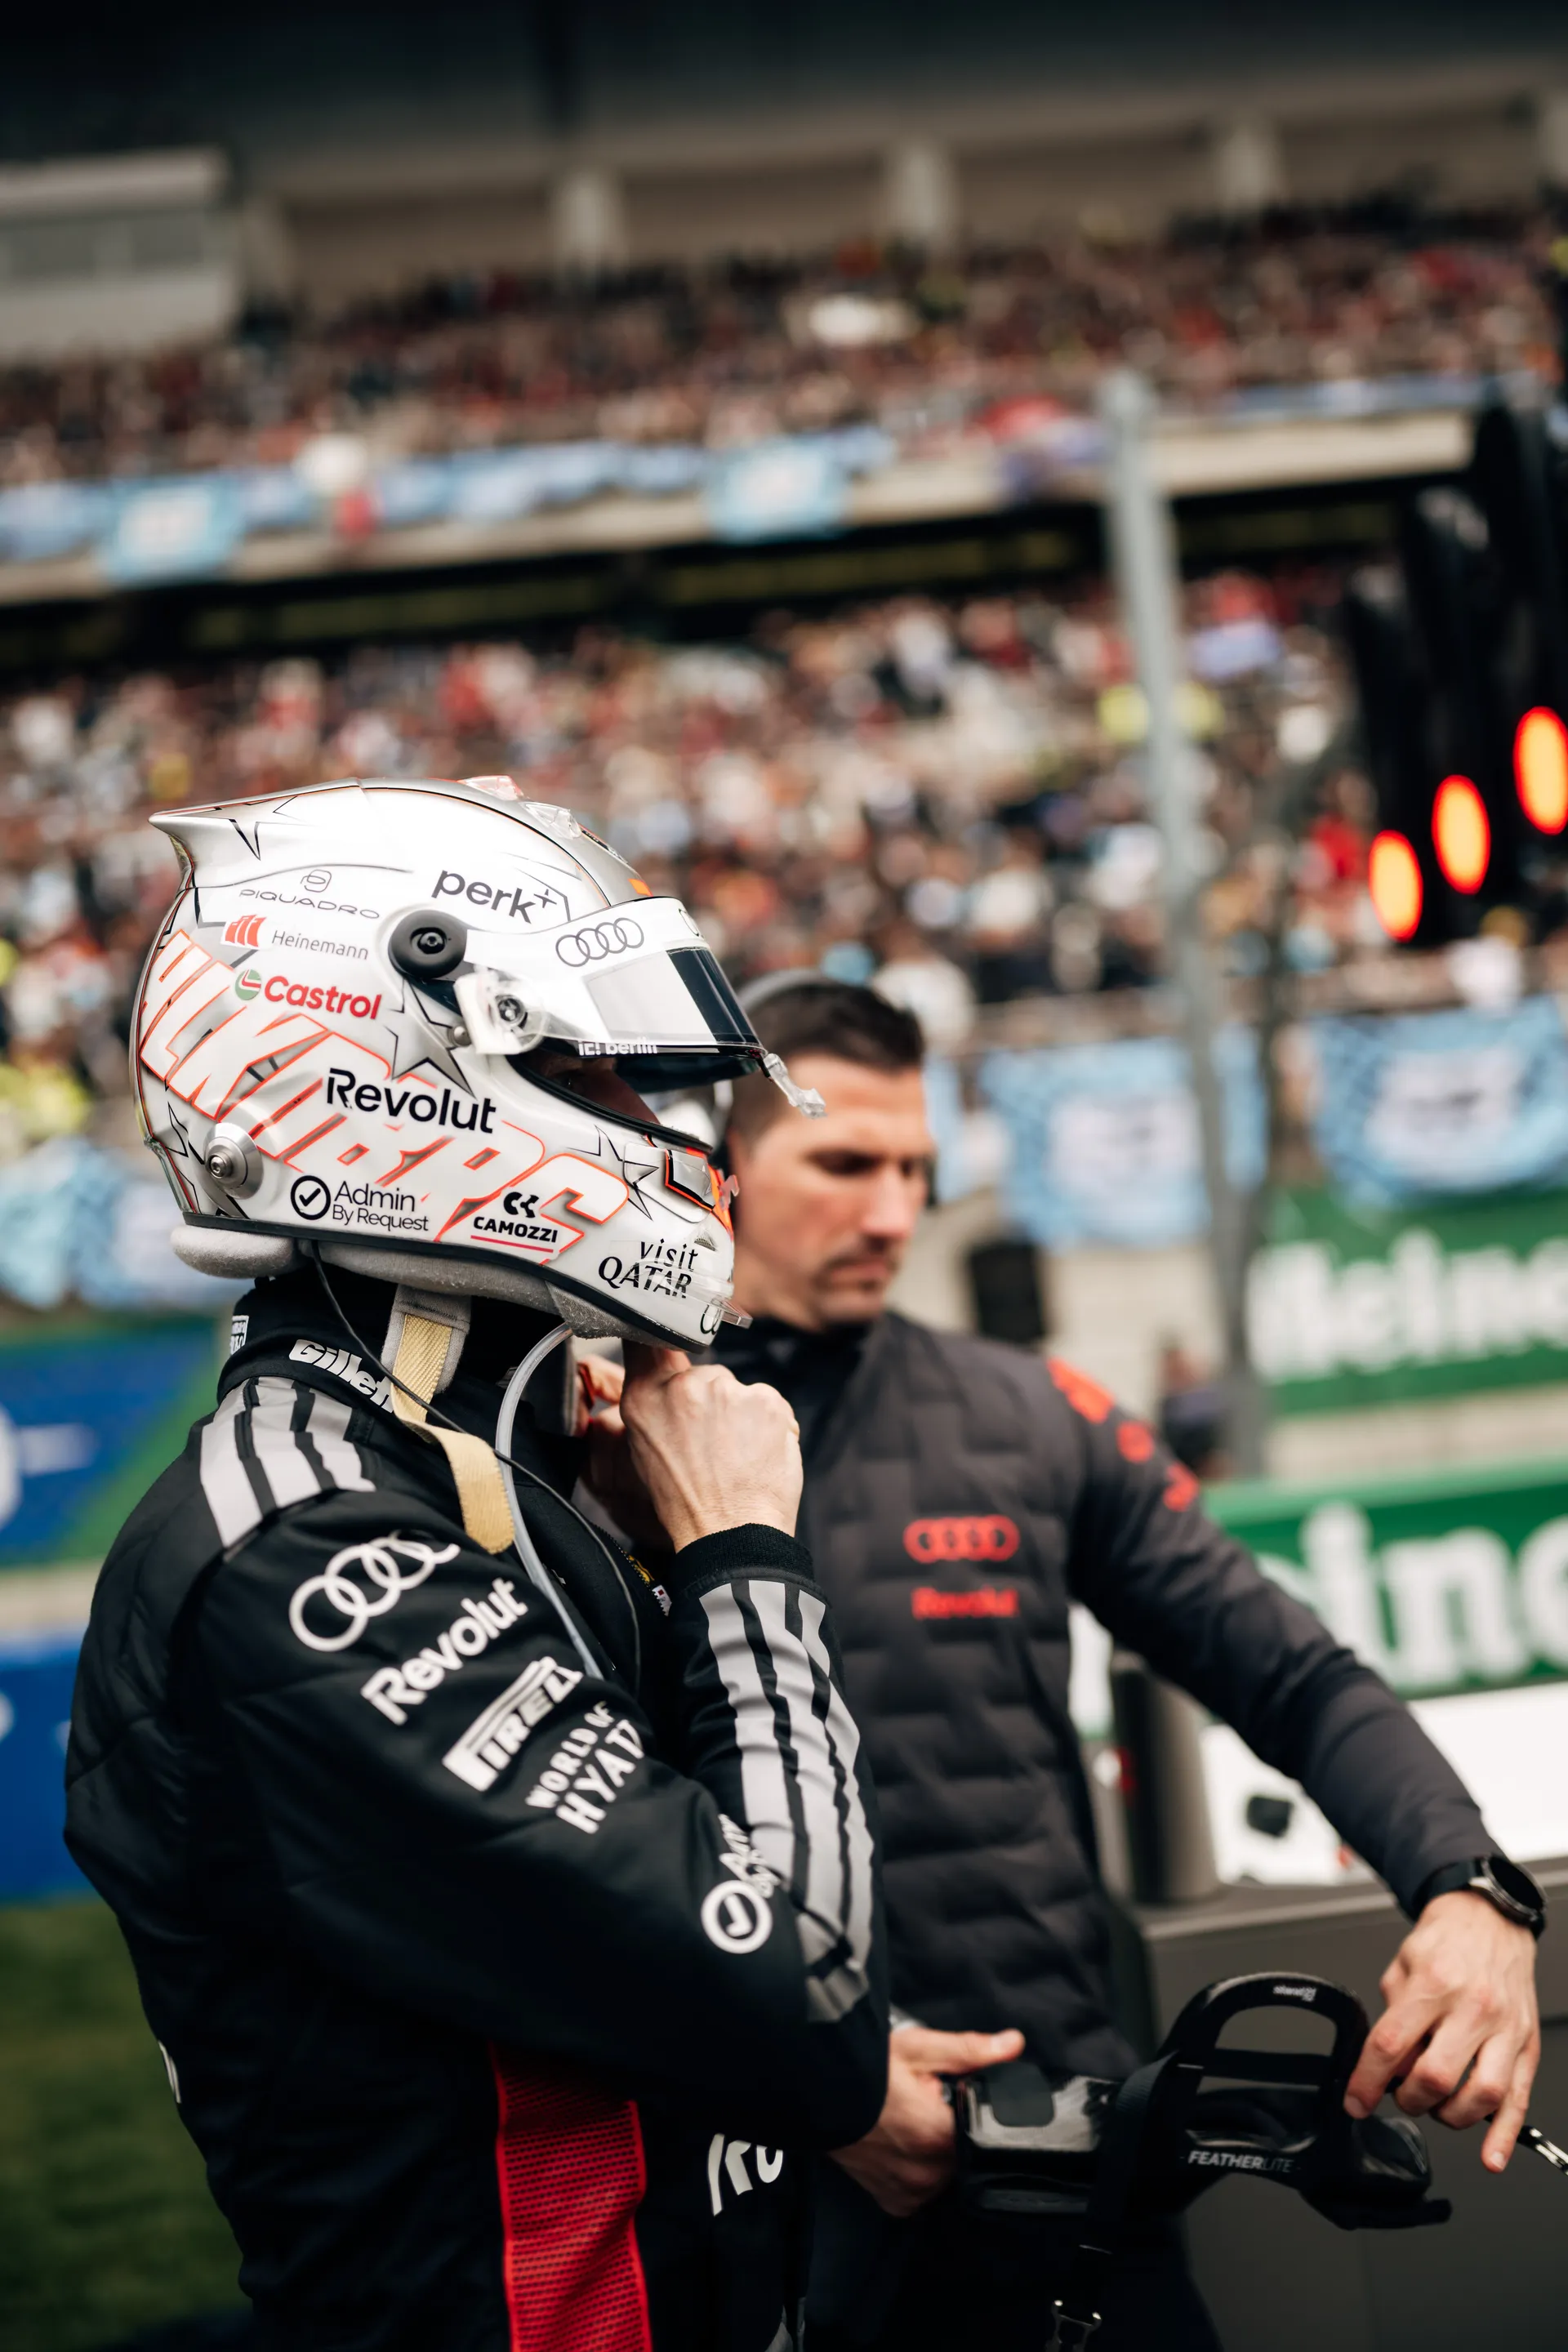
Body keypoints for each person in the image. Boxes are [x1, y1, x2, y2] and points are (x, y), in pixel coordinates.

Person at [66, 782, 887, 2352]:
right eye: (597, 1067)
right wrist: (742, 1565)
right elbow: (816, 2006)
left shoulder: (454, 1472)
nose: (668, 1132)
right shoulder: (303, 1550)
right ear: (396, 1078)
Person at [614, 974, 1544, 2352]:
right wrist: (817, 2082)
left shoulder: (1027, 1413)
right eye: (846, 1163)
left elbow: (1293, 1674)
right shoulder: (595, 1428)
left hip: (1059, 2169)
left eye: (918, 1169)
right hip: (758, 2187)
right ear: (720, 1170)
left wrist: (1471, 1891)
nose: (892, 1213)